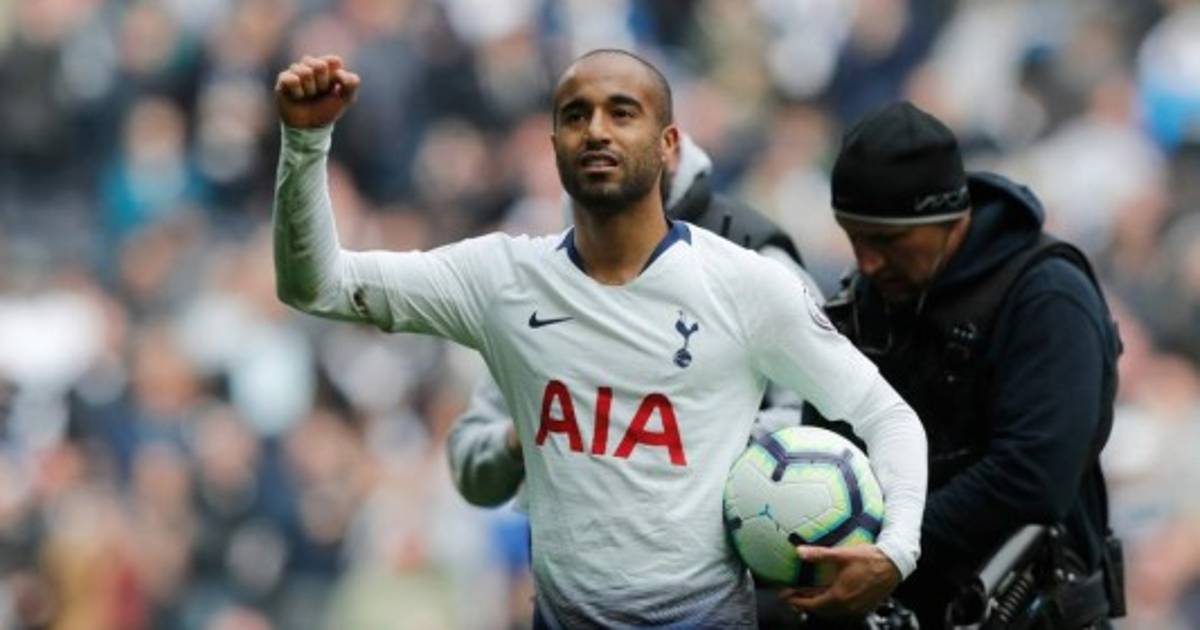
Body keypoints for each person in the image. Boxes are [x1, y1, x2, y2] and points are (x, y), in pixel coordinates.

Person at [272, 49, 928, 627]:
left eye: (622, 112)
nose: (596, 130)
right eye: (575, 115)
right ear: (554, 144)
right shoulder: (503, 279)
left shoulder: (745, 285)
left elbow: (887, 415)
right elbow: (318, 285)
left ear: (668, 144)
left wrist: (896, 552)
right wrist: (305, 141)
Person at [809, 101, 1123, 628]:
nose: (867, 261)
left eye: (886, 240)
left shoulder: (1047, 296)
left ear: (951, 219)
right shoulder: (863, 304)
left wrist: (894, 551)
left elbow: (1032, 475)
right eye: (853, 236)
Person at [447, 129, 819, 509]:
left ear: (669, 146)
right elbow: (469, 467)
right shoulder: (551, 277)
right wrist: (524, 433)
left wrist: (686, 441)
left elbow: (819, 416)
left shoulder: (754, 261)